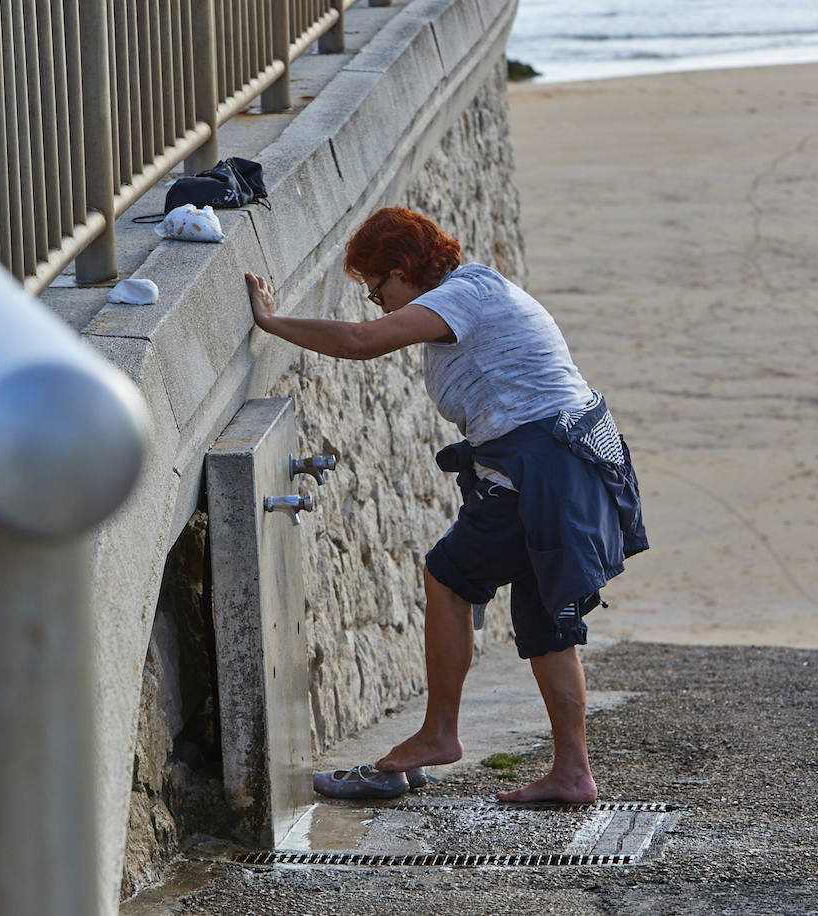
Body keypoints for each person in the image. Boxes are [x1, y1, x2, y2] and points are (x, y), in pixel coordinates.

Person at [244, 207, 647, 804]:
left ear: (404, 269)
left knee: (449, 578)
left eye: (379, 288)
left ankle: (439, 734)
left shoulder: (464, 296)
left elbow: (360, 342)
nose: (379, 304)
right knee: (547, 623)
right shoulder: (481, 290)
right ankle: (572, 773)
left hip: (542, 469)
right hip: (581, 460)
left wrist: (271, 322)